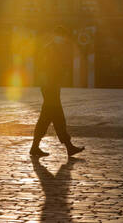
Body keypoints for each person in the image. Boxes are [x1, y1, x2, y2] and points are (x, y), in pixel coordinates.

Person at [30, 26, 84, 158]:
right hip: (50, 87)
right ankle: (67, 147)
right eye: (63, 36)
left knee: (50, 117)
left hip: (51, 86)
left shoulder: (51, 48)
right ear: (57, 35)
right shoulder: (51, 49)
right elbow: (48, 68)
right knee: (54, 116)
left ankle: (36, 147)